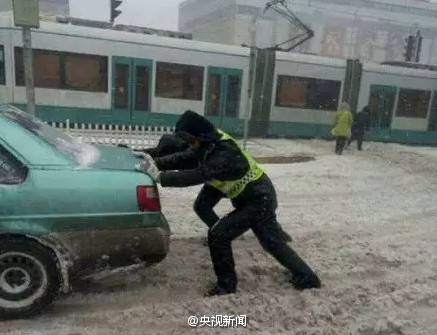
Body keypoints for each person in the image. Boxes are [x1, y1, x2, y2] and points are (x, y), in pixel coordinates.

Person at [136, 110, 321, 296]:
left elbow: (198, 175)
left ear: (200, 135)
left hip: (258, 198)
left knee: (226, 237)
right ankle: (285, 252)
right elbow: (183, 158)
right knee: (206, 210)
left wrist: (159, 177)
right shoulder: (208, 144)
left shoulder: (223, 152)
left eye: (192, 140)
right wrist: (154, 162)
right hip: (244, 192)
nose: (191, 145)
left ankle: (228, 286)